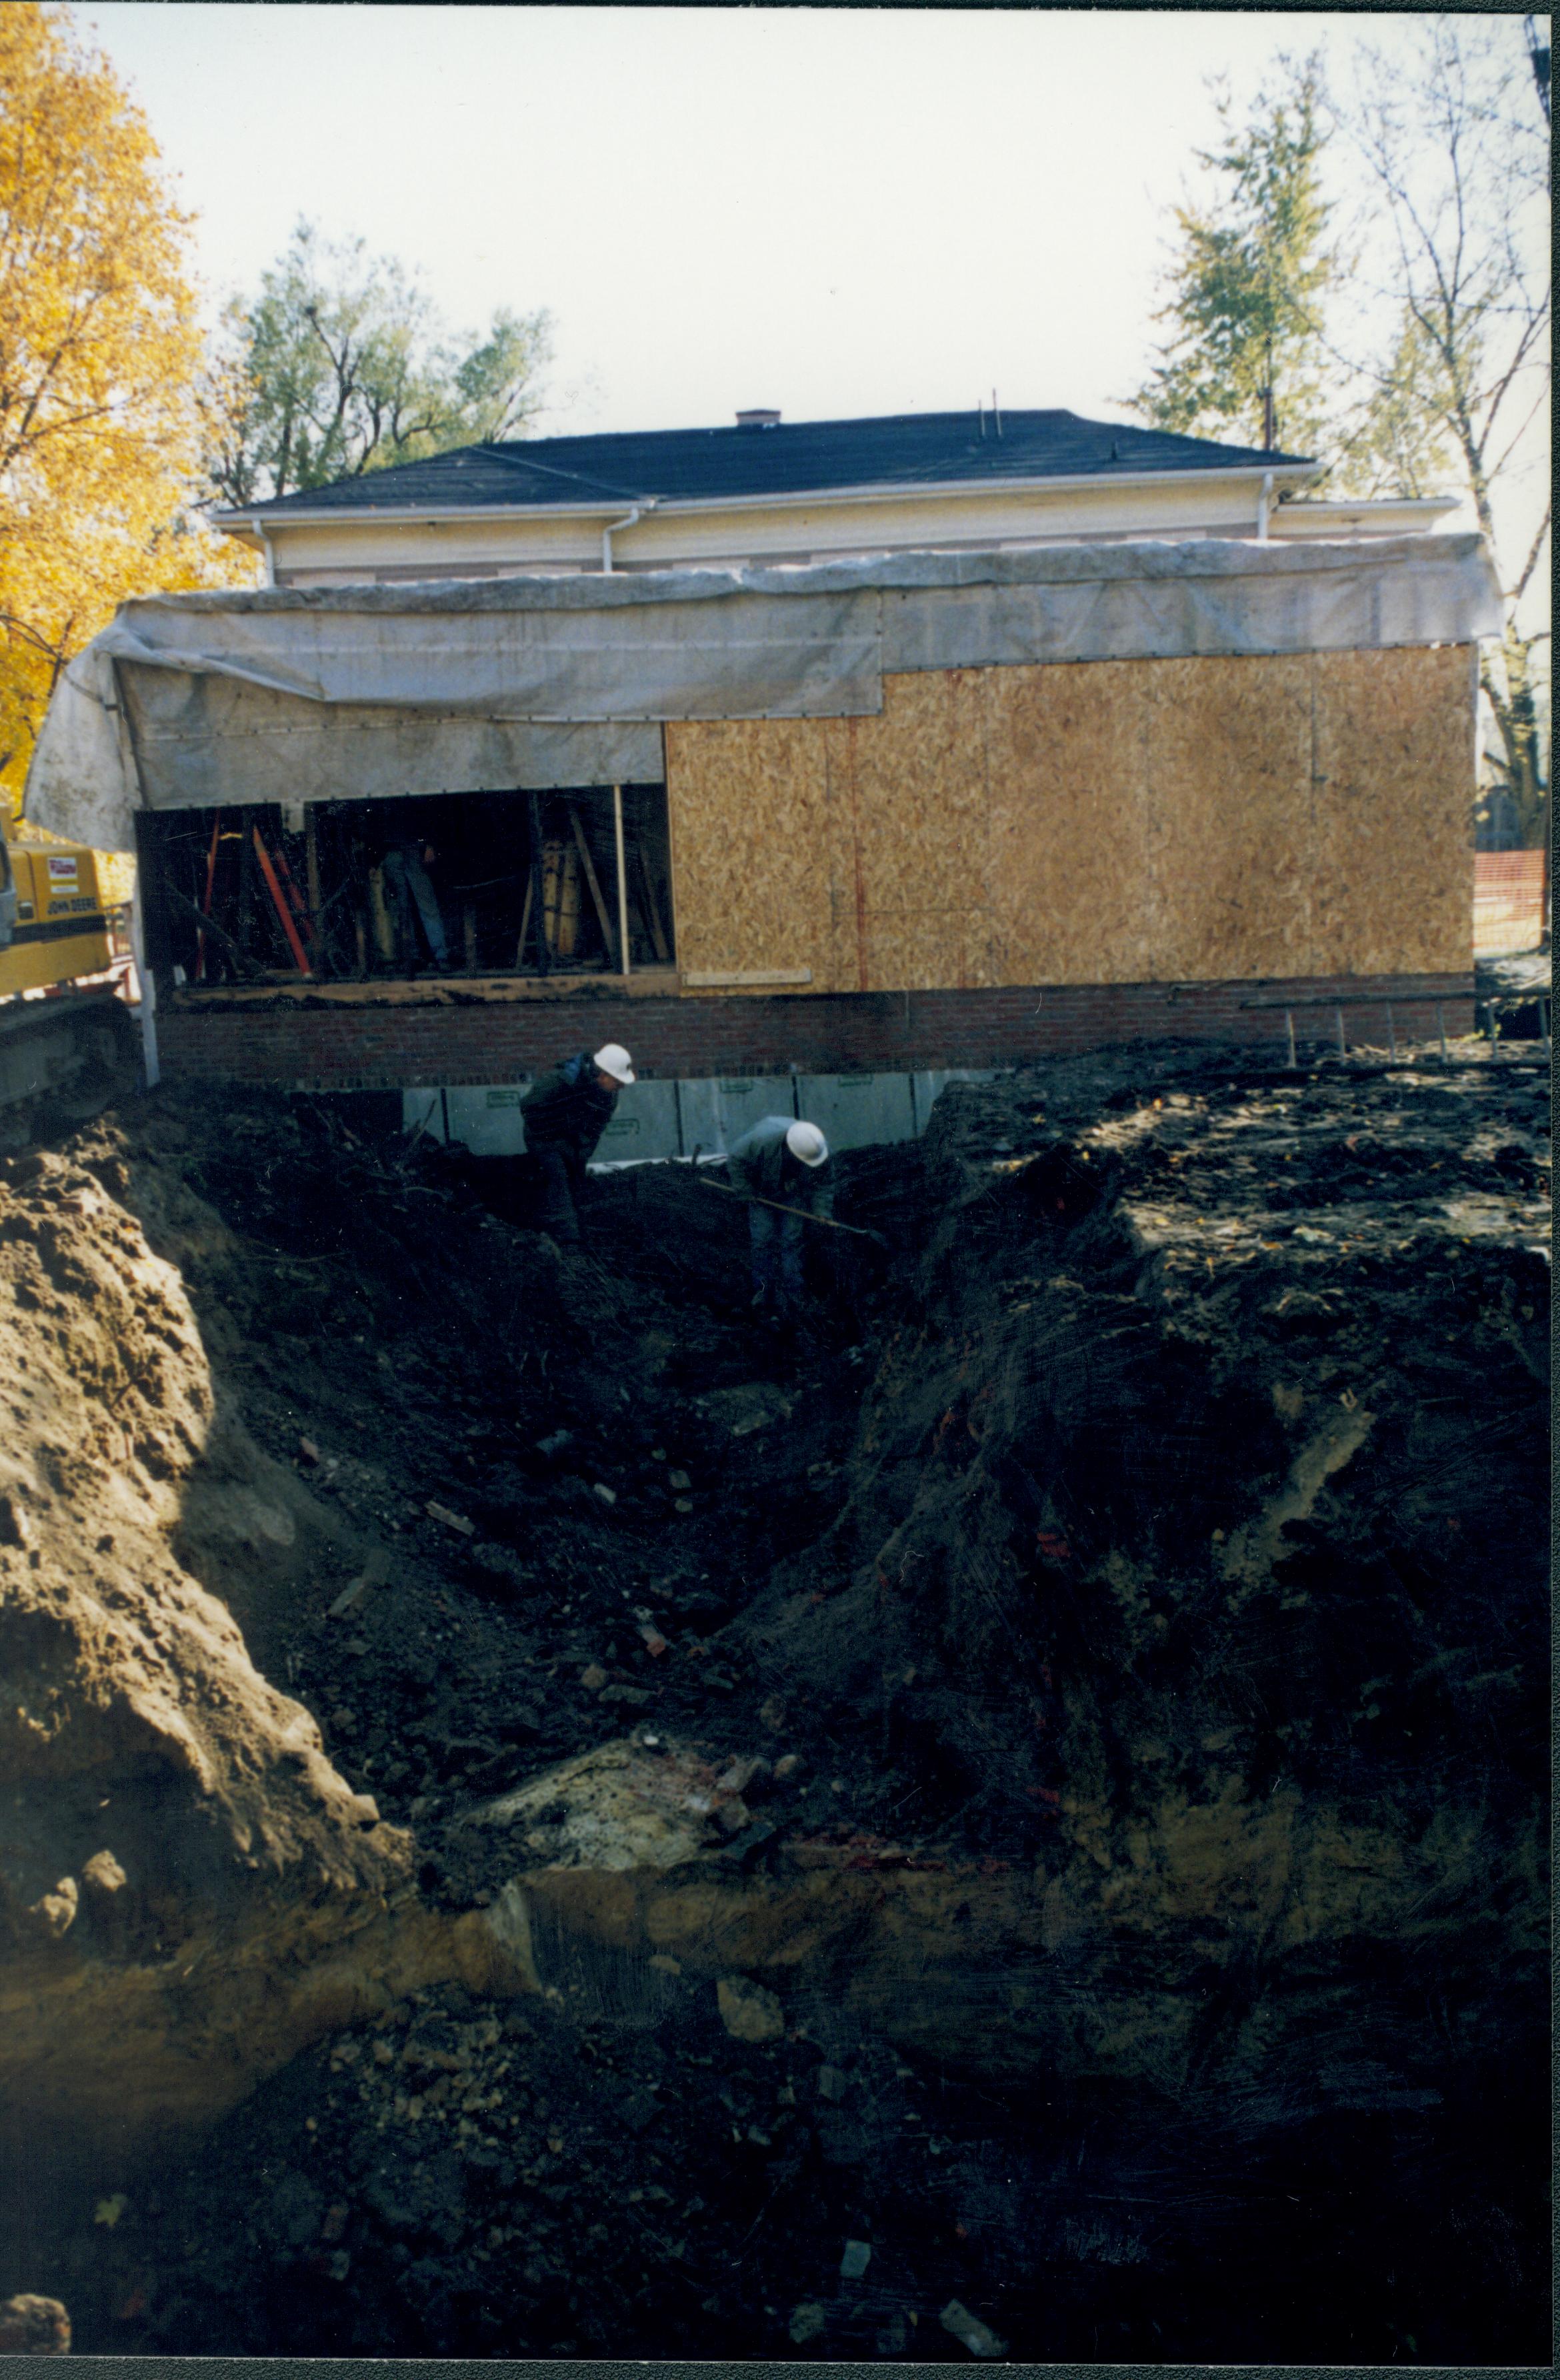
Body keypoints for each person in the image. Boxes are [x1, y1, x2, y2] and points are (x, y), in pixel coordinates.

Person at [520, 1043, 635, 1244]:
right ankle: (568, 1238)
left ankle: (581, 1226)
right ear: (603, 1075)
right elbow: (529, 1107)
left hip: (572, 1140)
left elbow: (595, 1130)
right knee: (557, 1177)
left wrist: (580, 1153)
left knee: (576, 1178)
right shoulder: (561, 1081)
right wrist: (558, 1132)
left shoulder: (609, 1096)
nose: (621, 1088)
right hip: (542, 1137)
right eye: (618, 1082)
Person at [725, 1116, 833, 1322]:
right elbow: (735, 1160)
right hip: (760, 1192)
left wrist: (821, 1211)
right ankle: (763, 1294)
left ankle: (794, 1293)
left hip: (793, 1194)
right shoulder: (758, 1142)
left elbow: (824, 1181)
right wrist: (746, 1190)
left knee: (791, 1241)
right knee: (762, 1241)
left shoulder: (820, 1150)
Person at [381, 836, 451, 972]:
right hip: (393, 850)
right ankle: (412, 957)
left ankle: (439, 956)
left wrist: (430, 845)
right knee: (403, 909)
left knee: (426, 907)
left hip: (414, 849)